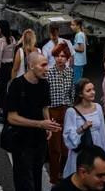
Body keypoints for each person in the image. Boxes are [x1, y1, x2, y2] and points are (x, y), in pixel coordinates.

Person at [7, 52, 62, 191]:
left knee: (37, 179)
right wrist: (40, 124)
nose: (47, 68)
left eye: (47, 64)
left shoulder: (44, 84)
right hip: (22, 142)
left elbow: (44, 107)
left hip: (39, 142)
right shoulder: (17, 85)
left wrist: (48, 125)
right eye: (43, 65)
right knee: (25, 182)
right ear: (31, 66)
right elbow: (11, 117)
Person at [63, 79, 105, 178]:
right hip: (81, 152)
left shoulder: (98, 107)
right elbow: (68, 137)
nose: (93, 92)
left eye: (93, 89)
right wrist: (82, 128)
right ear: (80, 94)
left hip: (97, 149)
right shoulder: (71, 112)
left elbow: (103, 133)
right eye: (88, 90)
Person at [46, 43, 75, 185]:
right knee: (55, 148)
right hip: (53, 111)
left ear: (67, 58)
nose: (60, 58)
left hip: (66, 111)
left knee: (66, 147)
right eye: (57, 56)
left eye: (63, 56)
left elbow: (72, 93)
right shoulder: (49, 73)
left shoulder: (70, 72)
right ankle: (53, 178)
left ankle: (61, 173)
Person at [0, 20, 16, 121]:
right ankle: (4, 111)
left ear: (1, 28)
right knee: (8, 89)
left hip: (3, 67)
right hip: (11, 67)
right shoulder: (12, 39)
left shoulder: (0, 41)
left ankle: (3, 112)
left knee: (1, 90)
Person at [71, 19, 87, 84]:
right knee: (78, 79)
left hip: (78, 61)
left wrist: (71, 47)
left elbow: (81, 49)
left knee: (76, 81)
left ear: (78, 26)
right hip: (80, 61)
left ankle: (76, 93)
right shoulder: (81, 34)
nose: (71, 26)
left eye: (73, 25)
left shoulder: (79, 35)